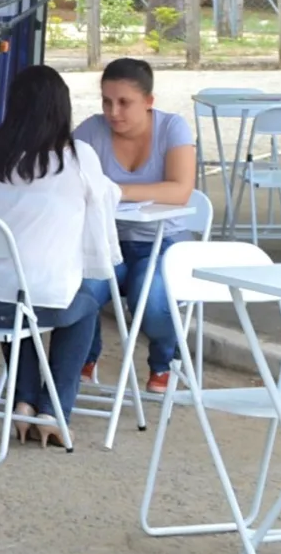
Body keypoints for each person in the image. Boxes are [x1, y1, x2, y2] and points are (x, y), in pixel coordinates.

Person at [0, 63, 119, 447]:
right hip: (24, 303)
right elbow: (101, 238)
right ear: (62, 108)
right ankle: (54, 410)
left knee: (13, 289)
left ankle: (22, 402)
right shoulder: (77, 155)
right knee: (83, 299)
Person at [71, 57, 196, 394]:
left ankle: (164, 363)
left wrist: (113, 191)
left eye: (125, 102)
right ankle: (83, 358)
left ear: (149, 102)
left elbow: (180, 190)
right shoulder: (89, 132)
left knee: (151, 299)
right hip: (104, 241)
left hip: (163, 240)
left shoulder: (173, 128)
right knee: (80, 291)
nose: (114, 112)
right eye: (107, 101)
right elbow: (68, 182)